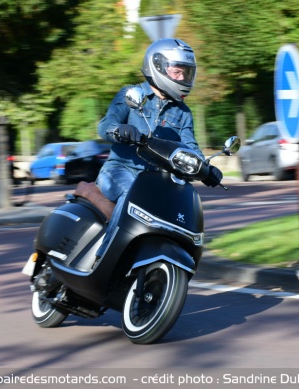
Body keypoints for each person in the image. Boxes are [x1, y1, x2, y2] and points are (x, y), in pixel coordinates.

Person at [94, 38, 223, 259]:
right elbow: (106, 125)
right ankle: (106, 256)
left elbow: (190, 146)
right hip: (120, 171)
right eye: (177, 72)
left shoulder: (182, 112)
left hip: (156, 181)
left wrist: (206, 168)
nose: (182, 78)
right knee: (132, 198)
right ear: (158, 66)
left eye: (186, 73)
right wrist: (119, 130)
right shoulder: (131, 94)